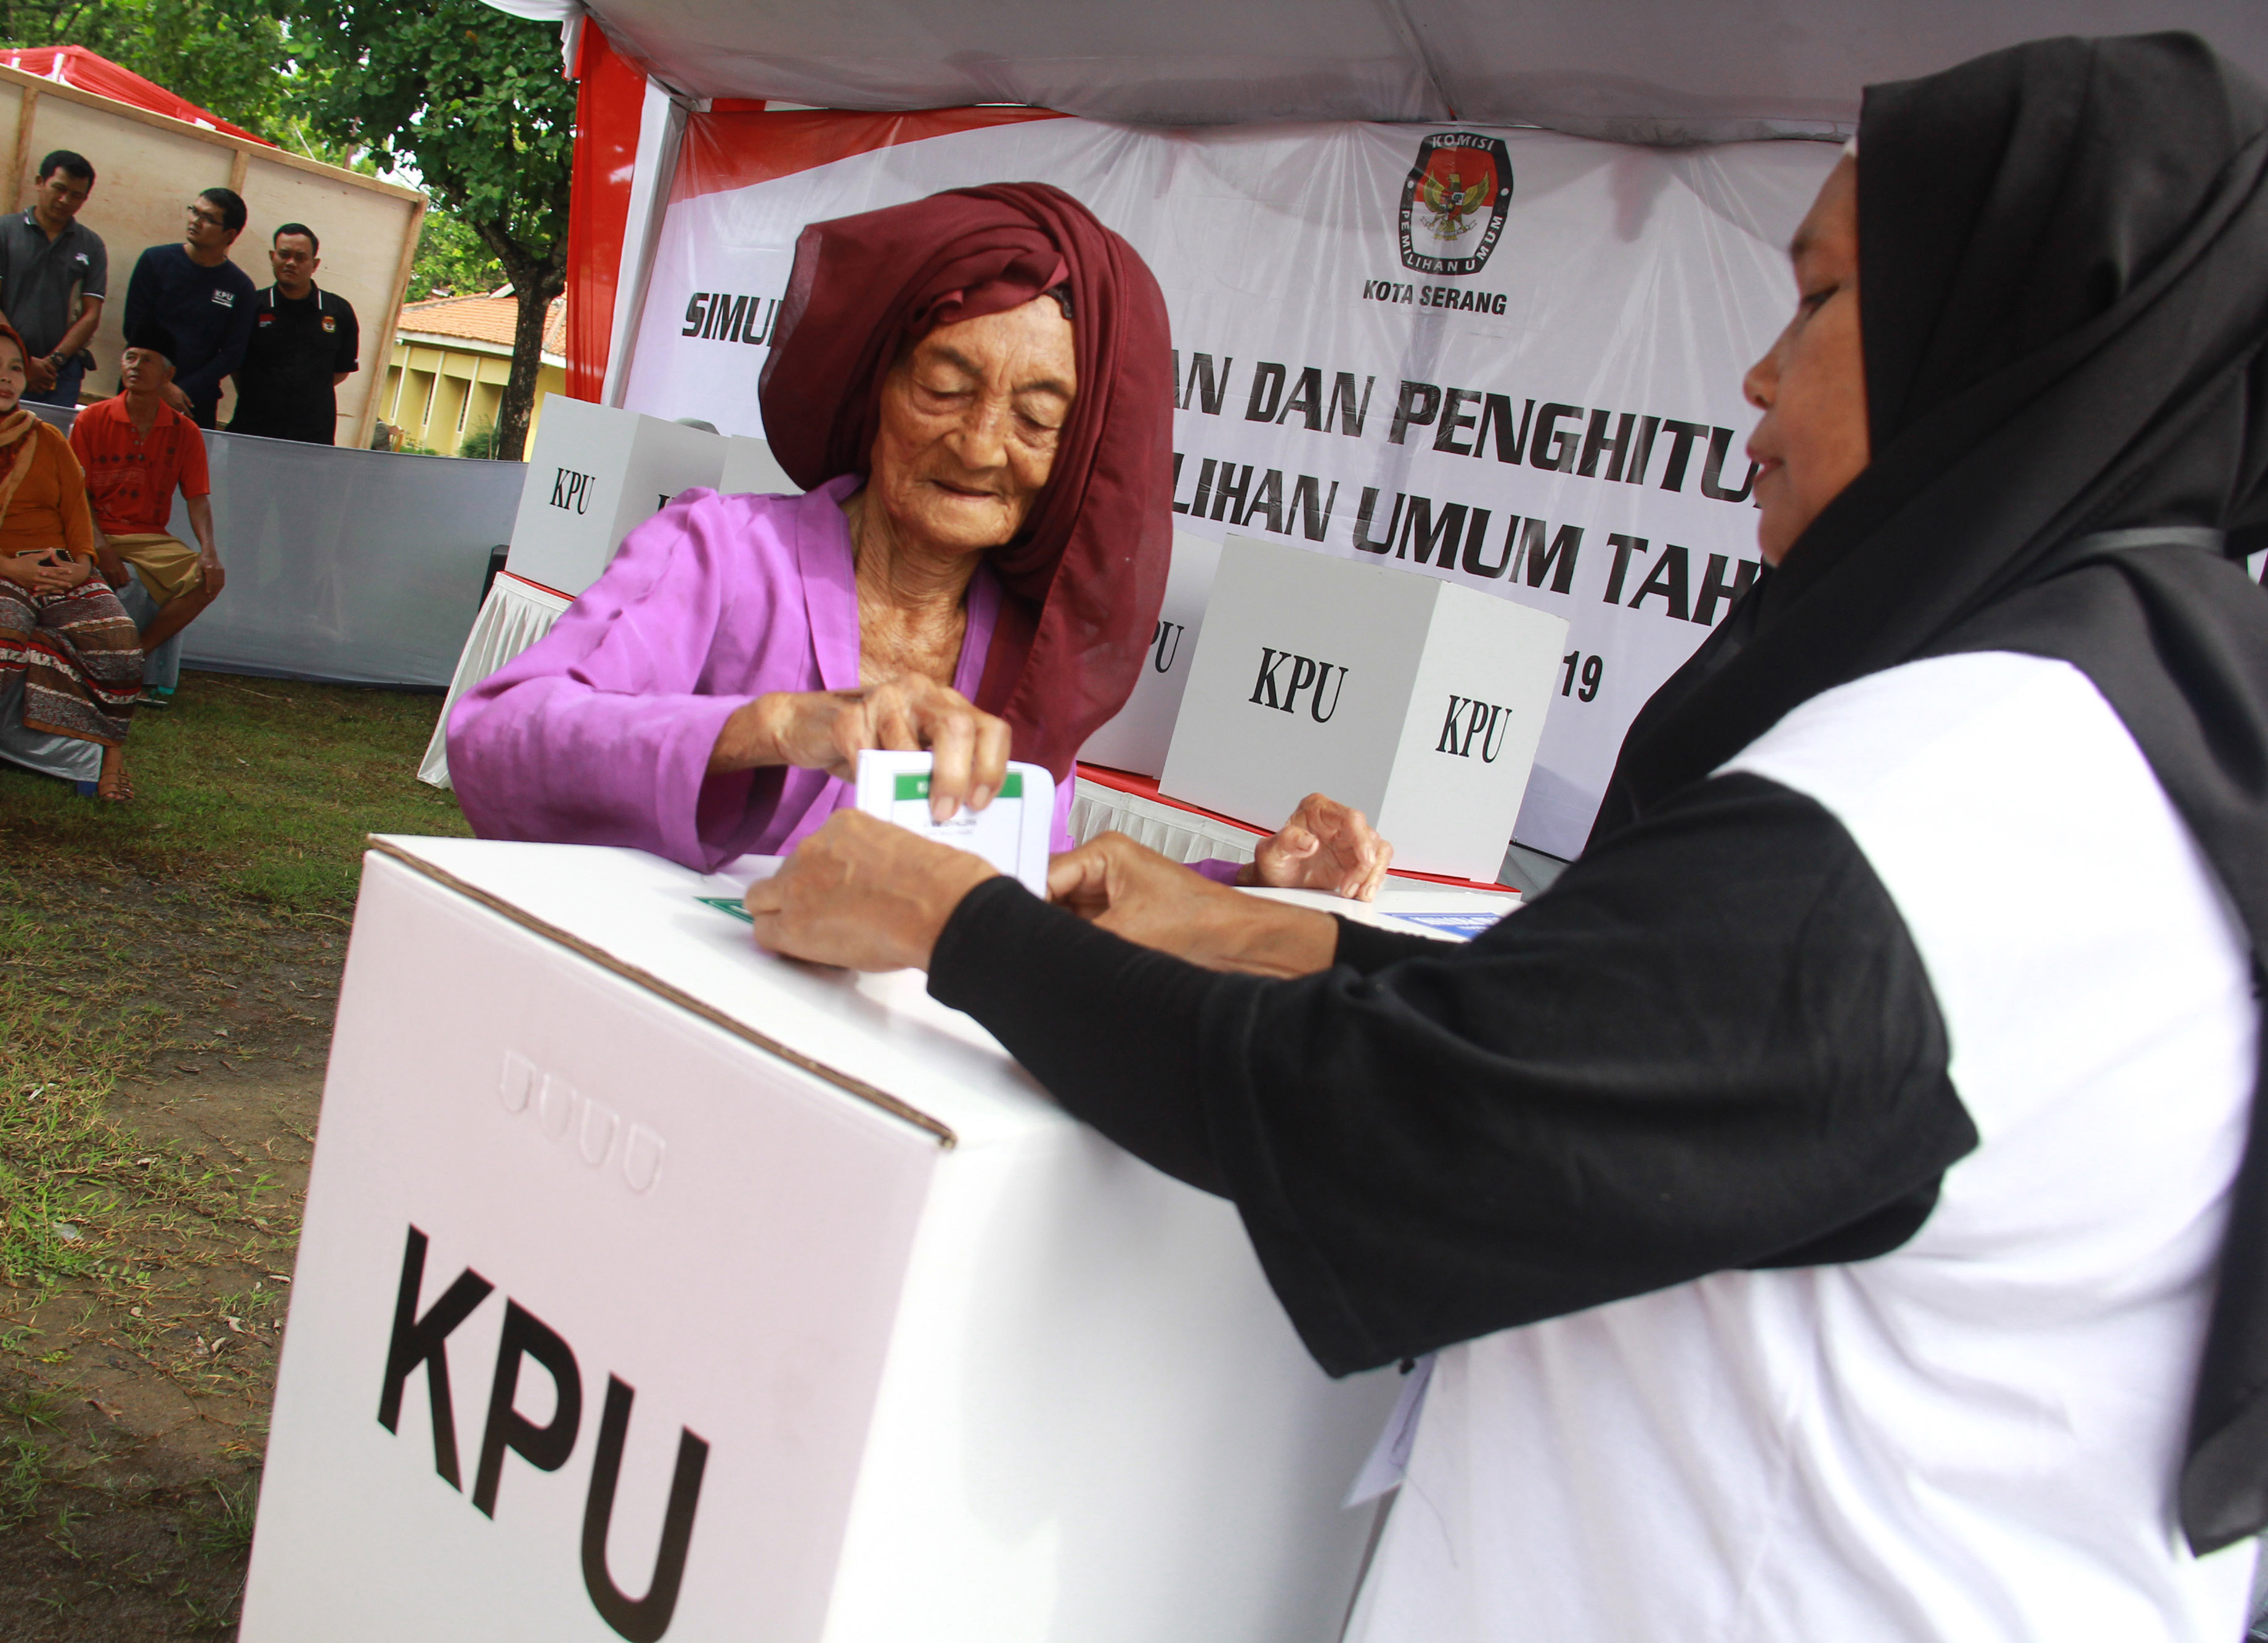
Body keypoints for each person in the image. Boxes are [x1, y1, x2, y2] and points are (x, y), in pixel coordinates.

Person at [747, 34, 2268, 1640]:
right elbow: (1642, 1037)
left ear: (1999, 343)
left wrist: (952, 916)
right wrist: (1280, 931)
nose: (1756, 379)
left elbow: (1399, 1122)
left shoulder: (1953, 810)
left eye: (1818, 304)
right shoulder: (2133, 712)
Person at [448, 184, 1391, 896]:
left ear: (1080, 458)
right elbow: (495, 739)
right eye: (945, 386)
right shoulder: (720, 550)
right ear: (876, 390)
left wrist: (1262, 883)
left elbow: (1034, 892)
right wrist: (779, 724)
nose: (980, 444)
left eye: (1036, 416)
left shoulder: (1031, 664)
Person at [0, 325, 142, 801]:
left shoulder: (46, 438)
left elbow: (76, 510)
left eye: (16, 366)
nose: (7, 377)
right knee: (3, 618)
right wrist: (4, 565)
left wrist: (83, 564)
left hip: (56, 565)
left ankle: (111, 752)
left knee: (120, 641)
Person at [71, 323, 224, 697]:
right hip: (90, 529)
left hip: (147, 537)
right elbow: (74, 494)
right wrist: (102, 549)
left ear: (169, 375)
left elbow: (198, 497)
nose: (136, 366)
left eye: (148, 360)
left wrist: (209, 553)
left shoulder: (185, 432)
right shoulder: (92, 419)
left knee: (208, 580)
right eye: (131, 357)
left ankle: (134, 658)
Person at [0, 151, 107, 409]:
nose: (65, 200)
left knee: (48, 445)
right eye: (59, 188)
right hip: (2, 364)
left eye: (77, 195)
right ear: (39, 182)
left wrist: (52, 362)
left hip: (60, 372)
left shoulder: (91, 245)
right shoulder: (0, 232)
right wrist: (22, 360)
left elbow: (91, 316)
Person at [122, 187, 255, 431]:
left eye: (208, 219)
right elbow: (134, 326)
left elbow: (232, 354)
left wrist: (183, 390)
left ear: (230, 234)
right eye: (194, 211)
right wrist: (161, 385)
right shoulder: (155, 261)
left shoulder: (241, 287)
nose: (195, 221)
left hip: (193, 401)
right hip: (141, 387)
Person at [226, 222, 359, 445]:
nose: (291, 263)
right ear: (272, 256)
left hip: (313, 437)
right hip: (252, 432)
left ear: (315, 264)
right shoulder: (251, 306)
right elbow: (235, 364)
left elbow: (341, 370)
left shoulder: (338, 312)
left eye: (300, 257)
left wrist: (304, 390)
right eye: (284, 255)